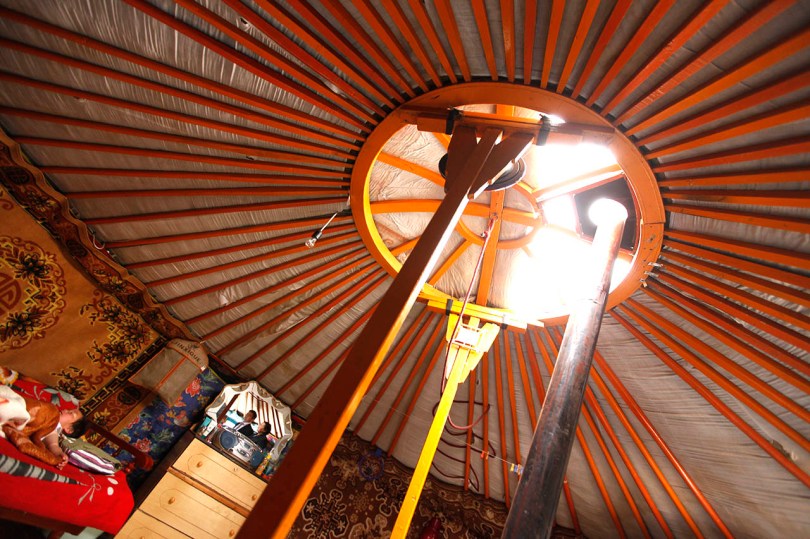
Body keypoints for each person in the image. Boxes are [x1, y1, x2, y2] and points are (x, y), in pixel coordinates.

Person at [2, 391, 85, 469]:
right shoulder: (51, 411)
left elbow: (53, 444)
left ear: (69, 429)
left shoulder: (54, 428)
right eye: (68, 410)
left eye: (70, 413)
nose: (65, 410)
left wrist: (59, 453)